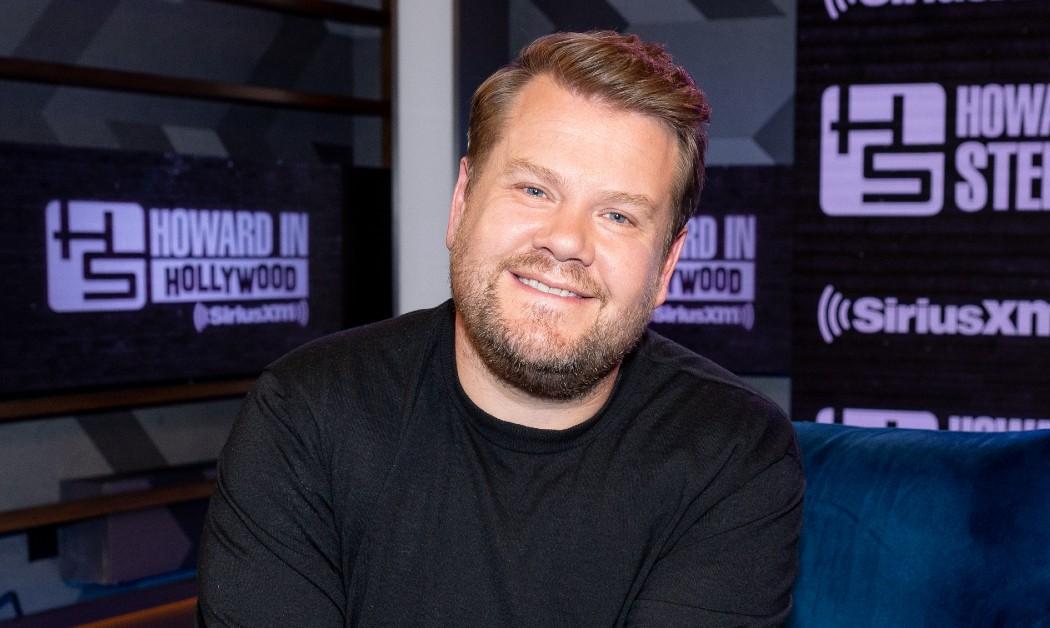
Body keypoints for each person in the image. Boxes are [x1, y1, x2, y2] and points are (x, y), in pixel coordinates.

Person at [198, 31, 804, 627]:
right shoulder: (307, 412)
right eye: (535, 189)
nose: (567, 240)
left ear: (667, 265)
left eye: (618, 215)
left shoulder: (731, 452)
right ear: (462, 202)